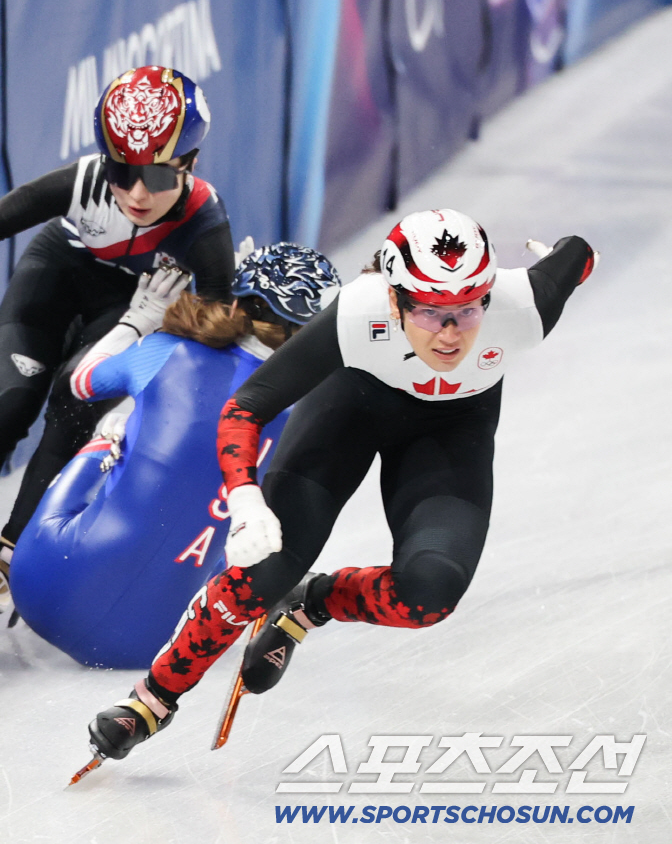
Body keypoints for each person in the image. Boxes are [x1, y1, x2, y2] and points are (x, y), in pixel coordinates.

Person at [79, 209, 597, 769]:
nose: (450, 333)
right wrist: (247, 502)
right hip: (351, 408)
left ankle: (313, 601)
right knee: (262, 572)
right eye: (429, 311)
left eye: (467, 310)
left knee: (428, 595)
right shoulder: (357, 311)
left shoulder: (522, 307)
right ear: (394, 298)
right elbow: (244, 409)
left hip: (451, 429)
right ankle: (154, 697)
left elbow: (578, 253)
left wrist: (552, 260)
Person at [0, 66, 236, 648]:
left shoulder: (207, 225)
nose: (137, 193)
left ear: (188, 164)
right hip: (56, 277)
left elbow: (213, 336)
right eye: (123, 172)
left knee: (70, 408)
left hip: (129, 308)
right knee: (2, 414)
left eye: (158, 174)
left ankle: (11, 550)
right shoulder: (86, 179)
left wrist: (149, 339)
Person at [9, 245, 341, 667]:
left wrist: (138, 320)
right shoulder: (310, 410)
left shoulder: (167, 350)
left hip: (40, 585)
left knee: (115, 428)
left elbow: (82, 382)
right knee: (252, 518)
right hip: (156, 641)